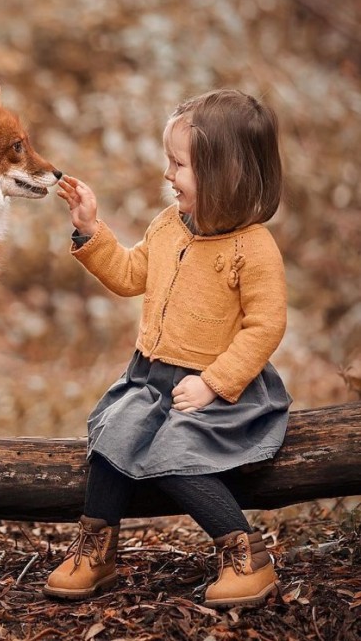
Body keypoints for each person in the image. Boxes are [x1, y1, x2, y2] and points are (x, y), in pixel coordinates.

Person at [45, 89, 291, 608]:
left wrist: (214, 383)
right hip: (151, 380)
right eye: (169, 162)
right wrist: (91, 230)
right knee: (112, 441)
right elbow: (134, 274)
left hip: (217, 392)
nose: (168, 175)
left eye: (179, 164)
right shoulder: (168, 226)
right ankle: (96, 549)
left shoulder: (253, 248)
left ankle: (246, 557)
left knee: (177, 457)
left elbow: (265, 326)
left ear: (225, 174)